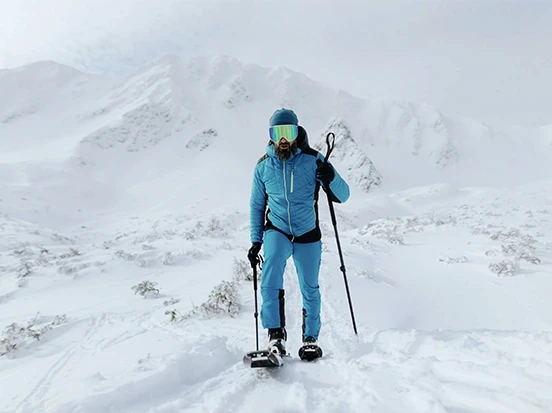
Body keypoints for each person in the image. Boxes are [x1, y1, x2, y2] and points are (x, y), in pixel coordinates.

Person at [247, 108, 350, 357]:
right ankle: (275, 336)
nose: (283, 138)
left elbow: (343, 195)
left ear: (296, 132)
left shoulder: (313, 160)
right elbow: (257, 205)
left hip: (307, 233)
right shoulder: (262, 167)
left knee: (310, 287)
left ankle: (310, 338)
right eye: (277, 132)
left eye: (288, 131)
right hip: (277, 229)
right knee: (270, 278)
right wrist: (255, 241)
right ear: (271, 135)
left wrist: (330, 176)